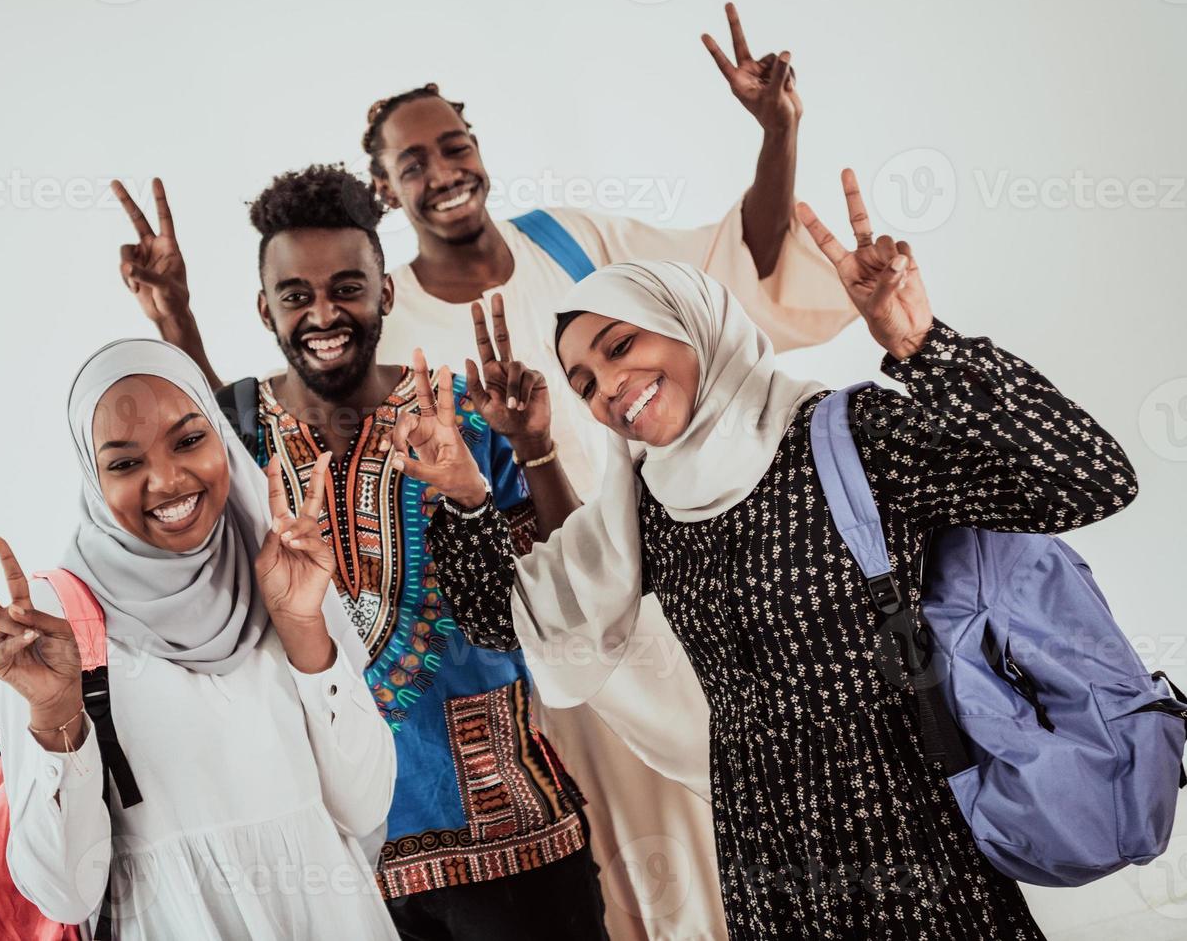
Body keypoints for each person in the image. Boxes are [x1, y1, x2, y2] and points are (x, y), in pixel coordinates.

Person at [412, 170, 1139, 939]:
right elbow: (512, 619)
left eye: (621, 344)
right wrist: (470, 490)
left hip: (910, 830)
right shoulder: (651, 504)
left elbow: (1085, 482)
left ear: (689, 321)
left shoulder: (850, 437)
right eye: (584, 382)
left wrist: (920, 344)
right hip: (768, 854)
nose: (609, 388)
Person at [359, 4, 856, 939]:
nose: (443, 173)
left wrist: (777, 133)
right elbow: (316, 409)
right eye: (412, 163)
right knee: (614, 859)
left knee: (717, 819)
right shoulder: (390, 322)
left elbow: (725, 273)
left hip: (665, 588)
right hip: (543, 631)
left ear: (479, 149)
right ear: (386, 191)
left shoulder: (567, 239)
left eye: (453, 145)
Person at [114, 165, 610, 939]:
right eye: (296, 296)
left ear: (386, 292)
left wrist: (534, 445)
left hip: (512, 839)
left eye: (347, 287)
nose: (323, 313)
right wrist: (174, 316)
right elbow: (205, 433)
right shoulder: (246, 435)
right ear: (265, 308)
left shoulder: (462, 416)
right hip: (337, 864)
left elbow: (569, 593)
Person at [0, 339, 398, 939]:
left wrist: (305, 627)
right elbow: (66, 891)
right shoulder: (56, 621)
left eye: (189, 440)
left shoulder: (277, 567)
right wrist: (55, 715)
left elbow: (364, 809)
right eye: (126, 464)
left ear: (221, 437)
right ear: (92, 475)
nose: (167, 480)